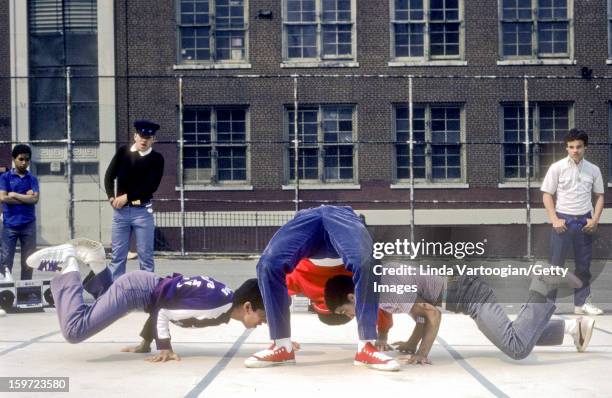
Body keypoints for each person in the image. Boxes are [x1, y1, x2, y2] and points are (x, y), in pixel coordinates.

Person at [25, 239, 266, 363]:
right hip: (137, 291)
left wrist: (145, 342)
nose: (262, 323)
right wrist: (165, 348)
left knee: (105, 303)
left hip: (142, 286)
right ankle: (67, 265)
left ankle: (98, 263)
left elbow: (165, 305)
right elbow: (163, 311)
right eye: (263, 317)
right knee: (75, 330)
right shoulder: (217, 306)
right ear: (247, 307)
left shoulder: (223, 296)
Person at [325, 263, 595, 364]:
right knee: (511, 334)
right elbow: (419, 313)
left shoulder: (383, 291)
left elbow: (431, 314)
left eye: (344, 311)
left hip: (472, 296)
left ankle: (542, 283)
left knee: (516, 348)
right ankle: (573, 328)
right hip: (464, 293)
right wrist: (410, 343)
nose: (350, 316)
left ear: (351, 297)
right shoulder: (376, 284)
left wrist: (422, 352)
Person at [124, 257, 394, 354]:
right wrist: (381, 336)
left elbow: (274, 300)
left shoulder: (305, 283)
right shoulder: (356, 290)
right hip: (323, 255)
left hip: (313, 254)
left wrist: (282, 336)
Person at [245, 205, 399, 371]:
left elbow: (266, 296)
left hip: (328, 222)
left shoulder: (299, 280)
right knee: (268, 265)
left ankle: (366, 347)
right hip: (321, 218)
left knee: (367, 263)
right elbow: (381, 304)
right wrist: (383, 334)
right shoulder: (350, 288)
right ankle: (282, 346)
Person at [541, 128, 605, 316]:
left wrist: (595, 220)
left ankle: (582, 304)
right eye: (571, 147)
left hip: (584, 222)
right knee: (555, 265)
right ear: (566, 148)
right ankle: (548, 305)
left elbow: (600, 196)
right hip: (563, 222)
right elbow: (547, 194)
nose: (575, 150)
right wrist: (554, 220)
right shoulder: (557, 167)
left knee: (583, 266)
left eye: (578, 146)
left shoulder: (593, 169)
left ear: (585, 147)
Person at [104, 120, 165, 280]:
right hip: (121, 213)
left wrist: (127, 196)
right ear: (135, 136)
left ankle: (146, 294)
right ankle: (114, 294)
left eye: (148, 137)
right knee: (117, 257)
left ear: (153, 139)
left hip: (143, 212)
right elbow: (109, 176)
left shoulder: (157, 159)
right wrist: (111, 196)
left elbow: (151, 186)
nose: (144, 140)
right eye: (141, 136)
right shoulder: (123, 152)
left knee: (145, 257)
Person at [0, 144, 39, 282]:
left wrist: (15, 194)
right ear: (14, 159)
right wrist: (25, 198)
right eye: (21, 159)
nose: (24, 162)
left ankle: (26, 291)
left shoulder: (32, 179)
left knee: (28, 261)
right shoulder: (5, 177)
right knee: (5, 260)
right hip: (10, 225)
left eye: (27, 160)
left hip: (28, 224)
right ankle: (5, 292)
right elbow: (3, 198)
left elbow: (35, 199)